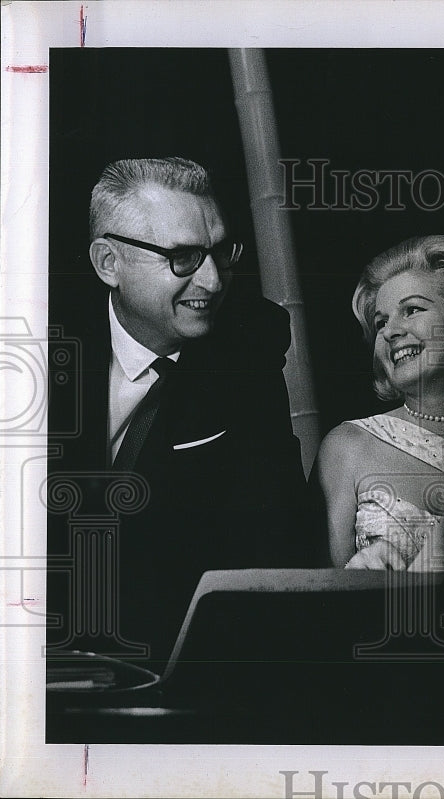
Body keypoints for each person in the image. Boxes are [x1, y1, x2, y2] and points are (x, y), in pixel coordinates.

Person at [47, 157, 309, 668]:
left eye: (220, 253)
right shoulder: (38, 331)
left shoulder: (248, 341)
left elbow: (270, 534)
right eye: (184, 257)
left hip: (163, 656)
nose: (212, 281)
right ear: (108, 263)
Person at [314, 235, 444, 570]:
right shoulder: (348, 446)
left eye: (412, 310)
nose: (390, 331)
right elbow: (326, 596)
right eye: (380, 322)